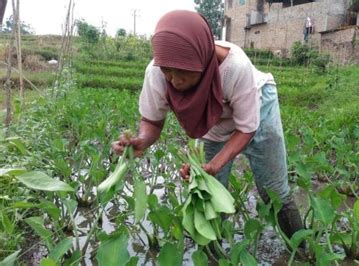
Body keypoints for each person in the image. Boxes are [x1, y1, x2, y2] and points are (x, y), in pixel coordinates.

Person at [112, 10, 303, 244]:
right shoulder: (156, 71)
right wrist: (142, 140)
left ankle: (303, 250)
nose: (175, 80)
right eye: (168, 71)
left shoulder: (235, 67)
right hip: (213, 122)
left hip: (258, 110)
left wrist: (214, 164)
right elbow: (152, 121)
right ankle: (216, 252)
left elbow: (246, 128)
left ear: (202, 59)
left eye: (182, 71)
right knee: (209, 193)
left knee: (274, 191)